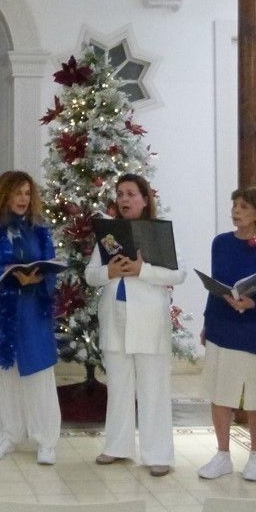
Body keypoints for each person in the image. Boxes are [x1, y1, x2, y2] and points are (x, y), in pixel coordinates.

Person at [85, 174, 185, 476]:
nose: (124, 199)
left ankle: (157, 454)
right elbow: (91, 275)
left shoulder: (158, 232)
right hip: (115, 318)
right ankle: (117, 446)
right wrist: (109, 271)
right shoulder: (107, 235)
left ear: (144, 199)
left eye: (130, 193)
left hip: (149, 321)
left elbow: (177, 274)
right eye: (120, 194)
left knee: (153, 388)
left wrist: (143, 269)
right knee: (118, 387)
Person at [198, 186, 256, 482]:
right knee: (220, 391)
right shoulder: (220, 242)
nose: (236, 210)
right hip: (222, 323)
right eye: (235, 205)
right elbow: (215, 284)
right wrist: (207, 322)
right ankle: (222, 454)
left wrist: (254, 303)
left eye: (244, 207)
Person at [0, 171, 61, 466]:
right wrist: (15, 278)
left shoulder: (40, 227)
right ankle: (5, 435)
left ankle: (45, 440)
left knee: (38, 375)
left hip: (33, 310)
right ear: (5, 195)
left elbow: (50, 262)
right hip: (3, 310)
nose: (23, 199)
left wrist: (38, 277)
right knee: (2, 375)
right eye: (17, 193)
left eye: (27, 193)